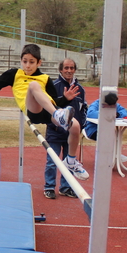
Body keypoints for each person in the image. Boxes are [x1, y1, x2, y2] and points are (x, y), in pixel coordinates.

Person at [0, 44, 85, 179]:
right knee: (33, 85)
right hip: (32, 110)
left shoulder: (45, 78)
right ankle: (58, 115)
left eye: (32, 62)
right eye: (25, 61)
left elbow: (53, 102)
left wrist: (65, 99)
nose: (27, 65)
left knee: (75, 126)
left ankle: (71, 161)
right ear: (21, 60)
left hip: (48, 111)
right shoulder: (14, 74)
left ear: (39, 63)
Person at [43, 59, 88, 199]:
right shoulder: (53, 86)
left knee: (70, 162)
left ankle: (66, 187)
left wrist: (81, 126)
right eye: (66, 68)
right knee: (52, 162)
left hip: (72, 135)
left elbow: (83, 109)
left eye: (72, 68)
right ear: (60, 70)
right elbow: (47, 109)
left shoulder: (80, 89)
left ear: (75, 69)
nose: (69, 70)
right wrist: (54, 125)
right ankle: (49, 187)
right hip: (55, 133)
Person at [84, 94, 127, 163]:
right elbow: (90, 113)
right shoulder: (96, 104)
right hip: (92, 130)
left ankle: (115, 154)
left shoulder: (115, 105)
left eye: (113, 105)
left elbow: (125, 112)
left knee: (114, 135)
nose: (111, 107)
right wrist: (107, 113)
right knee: (109, 136)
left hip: (108, 130)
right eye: (109, 105)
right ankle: (114, 155)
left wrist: (117, 114)